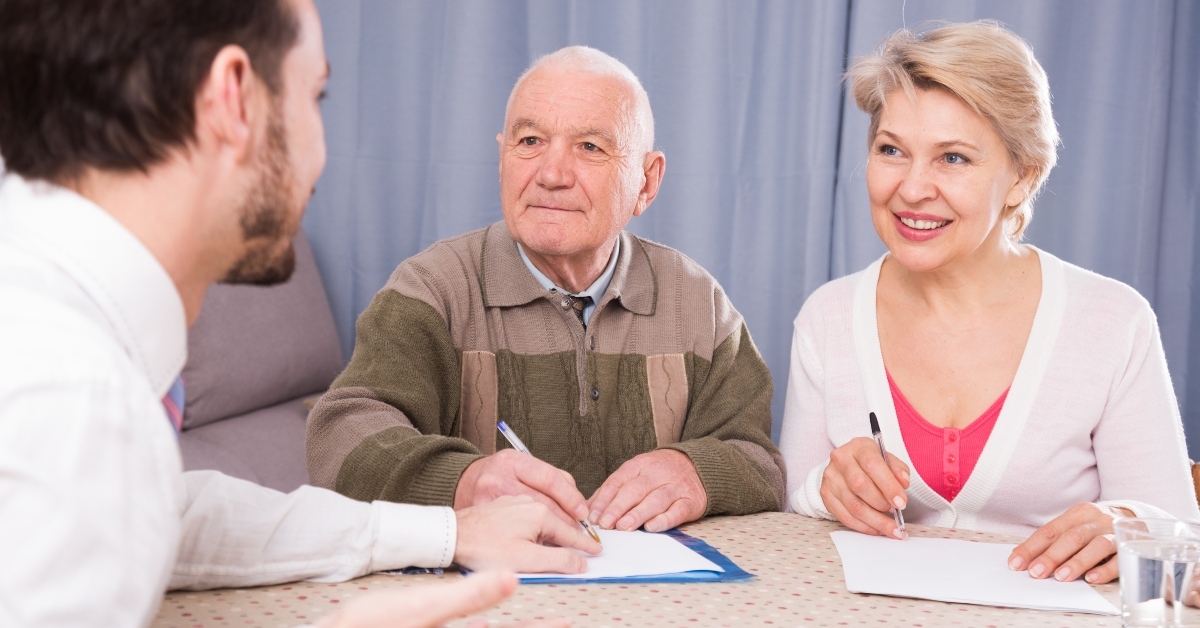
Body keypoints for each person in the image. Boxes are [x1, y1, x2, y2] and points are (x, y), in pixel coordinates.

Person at [0, 1, 598, 626]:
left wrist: (448, 533)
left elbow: (164, 513)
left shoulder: (65, 348)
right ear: (234, 98)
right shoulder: (69, 391)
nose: (323, 153)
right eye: (316, 96)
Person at [778, 20, 1200, 586]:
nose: (912, 188)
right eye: (891, 150)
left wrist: (1126, 523)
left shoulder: (1113, 322)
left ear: (1023, 176)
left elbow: (1179, 539)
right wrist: (824, 489)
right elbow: (786, 526)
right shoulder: (827, 317)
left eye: (953, 158)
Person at [306, 46, 783, 535]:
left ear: (647, 181)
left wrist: (698, 472)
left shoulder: (699, 304)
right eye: (530, 141)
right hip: (486, 579)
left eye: (590, 147)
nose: (551, 175)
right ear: (502, 159)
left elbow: (759, 461)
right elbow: (339, 437)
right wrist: (463, 483)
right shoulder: (431, 290)